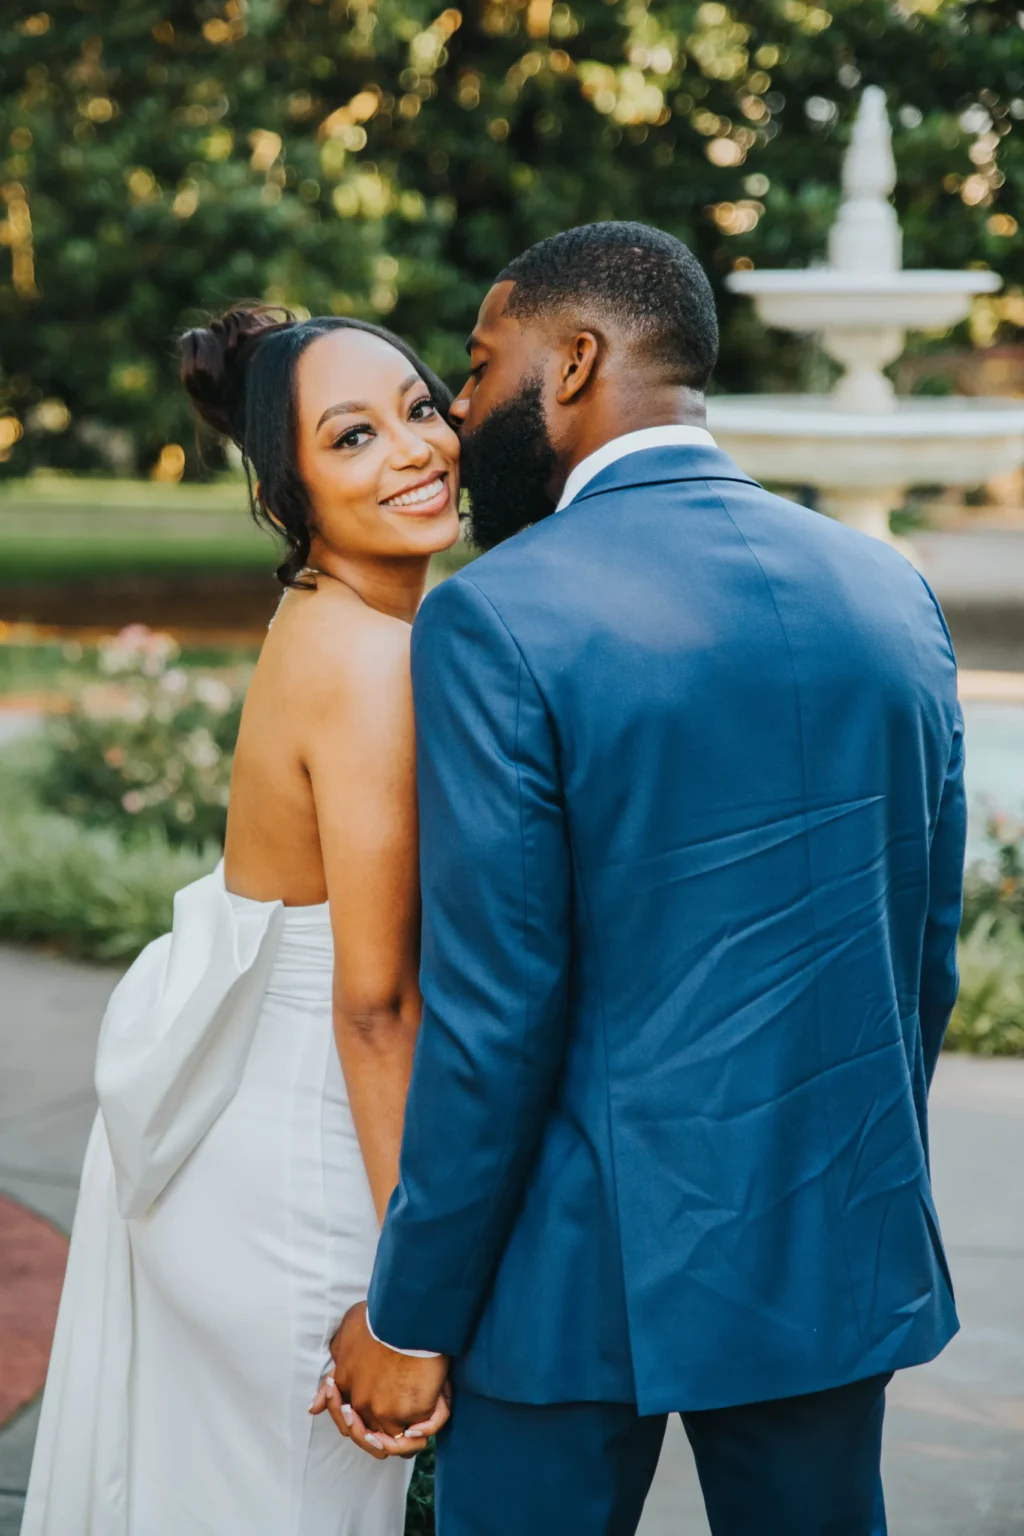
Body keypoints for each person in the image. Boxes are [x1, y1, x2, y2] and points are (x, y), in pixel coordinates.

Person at [324, 223, 967, 1536]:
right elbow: (925, 951)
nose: (459, 403)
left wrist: (411, 1310)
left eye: (480, 361)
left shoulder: (500, 612)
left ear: (570, 364)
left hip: (572, 1279)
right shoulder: (893, 592)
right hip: (829, 1246)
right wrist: (839, 1182)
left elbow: (493, 1020)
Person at [22, 306, 455, 1535]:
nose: (414, 450)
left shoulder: (333, 623)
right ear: (287, 491)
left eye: (420, 409)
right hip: (310, 1176)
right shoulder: (369, 665)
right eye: (354, 436)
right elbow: (374, 1006)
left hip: (254, 1135)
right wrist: (408, 1299)